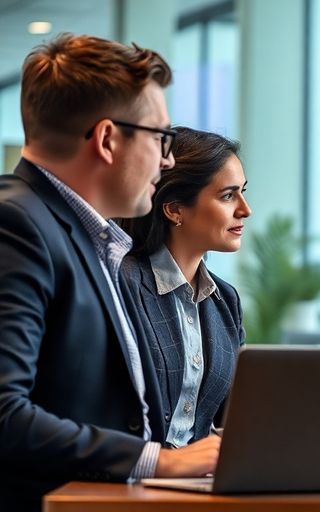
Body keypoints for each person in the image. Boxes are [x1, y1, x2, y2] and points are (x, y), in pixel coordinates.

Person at [0, 34, 219, 511]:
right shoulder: (16, 224)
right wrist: (158, 461)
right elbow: (5, 413)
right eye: (160, 137)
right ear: (106, 139)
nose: (168, 159)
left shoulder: (89, 237)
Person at [117, 127, 249, 448]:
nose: (245, 209)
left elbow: (233, 417)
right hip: (136, 471)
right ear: (175, 209)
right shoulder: (122, 283)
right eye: (228, 195)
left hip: (201, 475)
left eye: (243, 192)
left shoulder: (225, 300)